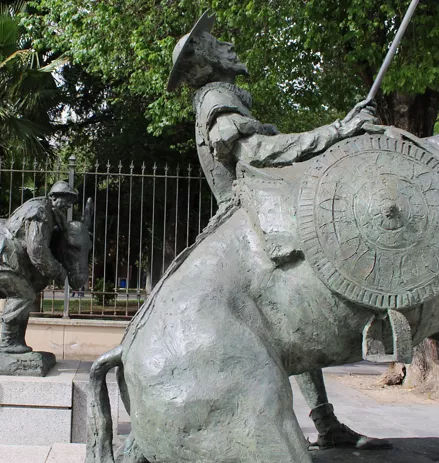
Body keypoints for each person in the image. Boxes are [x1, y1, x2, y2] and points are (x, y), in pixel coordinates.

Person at [166, 12, 389, 450]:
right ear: (205, 60)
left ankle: (326, 423)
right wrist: (340, 130)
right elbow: (260, 152)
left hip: (262, 210)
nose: (226, 44)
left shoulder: (224, 96)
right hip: (258, 218)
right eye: (215, 42)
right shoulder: (216, 98)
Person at [0, 180, 78, 353]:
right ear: (53, 197)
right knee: (24, 295)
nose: (69, 205)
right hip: (6, 259)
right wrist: (58, 271)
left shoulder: (47, 210)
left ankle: (16, 341)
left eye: (71, 202)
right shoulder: (40, 211)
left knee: (25, 295)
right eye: (66, 200)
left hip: (10, 259)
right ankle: (6, 342)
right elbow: (37, 249)